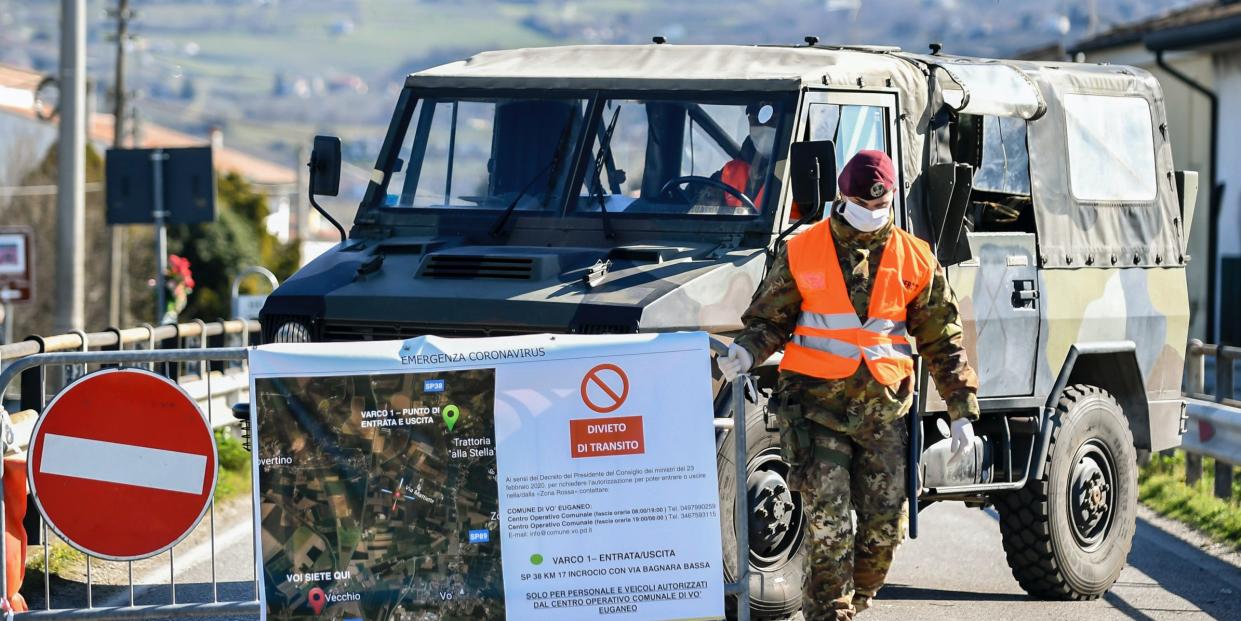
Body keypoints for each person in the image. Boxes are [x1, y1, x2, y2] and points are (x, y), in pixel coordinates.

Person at [717, 150, 980, 620]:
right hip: (815, 413)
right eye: (864, 204)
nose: (872, 213)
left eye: (881, 206)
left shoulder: (915, 257)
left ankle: (851, 602)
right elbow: (767, 320)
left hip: (885, 415)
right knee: (829, 528)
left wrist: (962, 409)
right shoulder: (802, 249)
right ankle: (830, 612)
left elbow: (943, 339)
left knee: (883, 532)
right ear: (843, 196)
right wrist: (746, 351)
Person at [711, 102, 778, 210]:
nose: (764, 128)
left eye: (773, 121)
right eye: (755, 121)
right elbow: (694, 204)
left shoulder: (799, 173)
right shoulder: (730, 172)